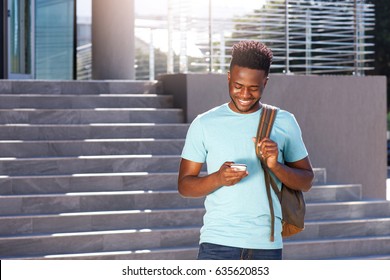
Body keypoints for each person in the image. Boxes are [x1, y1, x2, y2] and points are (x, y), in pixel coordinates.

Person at [178, 40, 314, 260]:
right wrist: (219, 178)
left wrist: (275, 165)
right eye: (238, 86)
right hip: (217, 244)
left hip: (266, 246)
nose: (244, 94)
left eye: (253, 88)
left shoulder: (284, 122)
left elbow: (306, 181)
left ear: (265, 83)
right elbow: (185, 185)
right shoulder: (204, 123)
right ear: (229, 77)